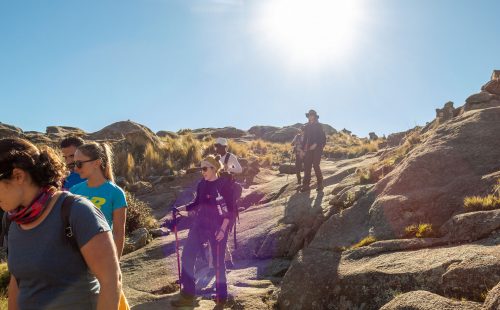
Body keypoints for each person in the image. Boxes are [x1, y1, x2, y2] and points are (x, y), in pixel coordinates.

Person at [0, 138, 121, 309]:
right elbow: (18, 282)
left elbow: (111, 281)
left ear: (18, 176)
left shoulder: (77, 211)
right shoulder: (14, 221)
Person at [170, 155, 234, 307]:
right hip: (200, 224)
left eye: (205, 168)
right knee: (187, 256)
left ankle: (221, 296)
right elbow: (197, 203)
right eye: (201, 169)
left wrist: (223, 230)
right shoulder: (202, 184)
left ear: (213, 168)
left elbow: (230, 210)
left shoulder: (224, 185)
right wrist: (180, 209)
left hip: (218, 227)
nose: (202, 172)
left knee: (218, 262)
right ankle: (188, 295)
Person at [70, 142, 128, 259]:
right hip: (75, 259)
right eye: (74, 164)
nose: (75, 169)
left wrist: (115, 265)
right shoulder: (74, 190)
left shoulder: (116, 193)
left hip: (103, 257)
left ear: (97, 163)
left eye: (79, 164)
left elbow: (118, 233)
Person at [213, 137, 242, 268]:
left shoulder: (230, 156)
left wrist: (228, 168)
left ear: (225, 147)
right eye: (216, 146)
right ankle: (225, 259)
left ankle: (226, 260)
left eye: (220, 146)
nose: (218, 148)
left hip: (228, 193)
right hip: (218, 191)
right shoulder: (215, 158)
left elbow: (239, 170)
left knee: (223, 224)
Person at [301, 109, 326, 192]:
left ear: (315, 116)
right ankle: (306, 185)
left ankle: (320, 184)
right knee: (307, 166)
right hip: (309, 148)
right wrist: (302, 149)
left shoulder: (319, 125)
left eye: (312, 115)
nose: (311, 116)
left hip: (317, 147)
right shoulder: (307, 126)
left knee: (315, 165)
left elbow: (322, 137)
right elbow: (305, 138)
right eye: (309, 115)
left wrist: (316, 144)